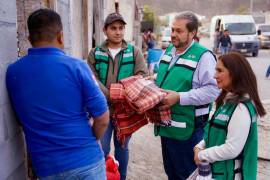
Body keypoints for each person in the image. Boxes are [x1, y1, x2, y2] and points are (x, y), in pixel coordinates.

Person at [5, 9, 110, 179]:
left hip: (47, 167)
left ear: (30, 39)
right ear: (61, 36)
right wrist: (90, 140)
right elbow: (103, 118)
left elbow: (20, 119)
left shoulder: (12, 73)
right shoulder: (77, 67)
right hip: (86, 162)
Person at [154, 11, 220, 180]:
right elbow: (164, 76)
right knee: (172, 173)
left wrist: (180, 97)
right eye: (172, 30)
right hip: (167, 127)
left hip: (190, 130)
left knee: (188, 175)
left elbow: (213, 91)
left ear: (193, 33)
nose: (174, 35)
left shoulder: (204, 56)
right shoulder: (168, 51)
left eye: (179, 31)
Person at [87, 12, 148, 180]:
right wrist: (111, 94)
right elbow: (92, 79)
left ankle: (121, 177)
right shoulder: (95, 53)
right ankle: (104, 176)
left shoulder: (134, 52)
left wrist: (121, 94)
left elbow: (141, 76)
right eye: (113, 28)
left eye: (121, 28)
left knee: (122, 147)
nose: (118, 32)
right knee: (103, 148)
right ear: (105, 30)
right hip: (103, 110)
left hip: (125, 110)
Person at [194, 52, 266, 180]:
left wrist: (202, 154)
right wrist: (200, 146)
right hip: (219, 173)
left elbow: (232, 148)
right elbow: (214, 132)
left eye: (220, 70)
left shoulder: (241, 108)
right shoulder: (226, 101)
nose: (215, 75)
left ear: (234, 73)